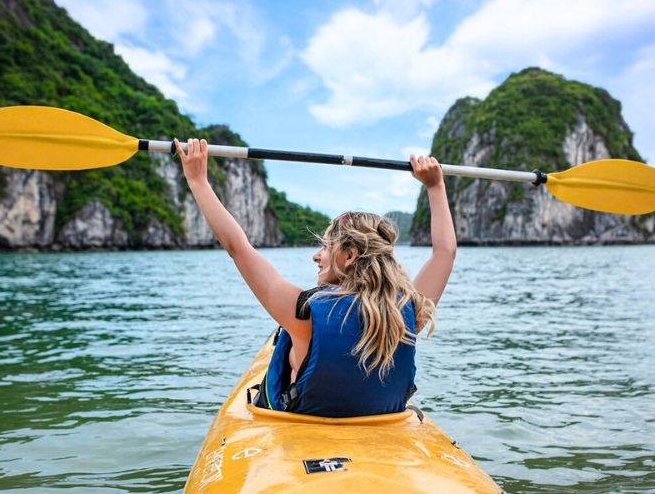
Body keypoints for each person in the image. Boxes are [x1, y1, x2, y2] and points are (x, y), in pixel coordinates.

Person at [175, 138, 456, 418]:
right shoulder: (408, 313)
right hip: (382, 434)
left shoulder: (302, 316)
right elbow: (445, 253)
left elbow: (238, 247)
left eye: (325, 246)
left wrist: (198, 180)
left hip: (301, 436)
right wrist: (435, 186)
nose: (317, 256)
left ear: (349, 256)